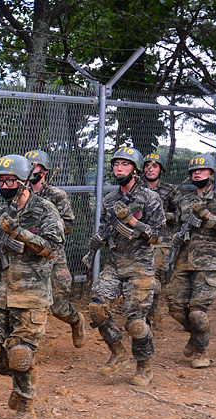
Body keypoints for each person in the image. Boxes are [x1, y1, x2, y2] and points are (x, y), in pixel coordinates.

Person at [0, 154, 64, 419]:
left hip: (32, 293)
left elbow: (53, 249)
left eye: (10, 180)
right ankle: (23, 375)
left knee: (21, 352)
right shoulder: (1, 213)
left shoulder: (46, 210)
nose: (5, 185)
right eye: (1, 180)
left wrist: (21, 233)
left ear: (25, 182)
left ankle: (25, 406)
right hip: (1, 290)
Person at [87, 147, 165, 386]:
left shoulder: (150, 198)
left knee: (135, 321)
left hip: (140, 266)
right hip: (114, 264)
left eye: (125, 164)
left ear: (136, 169)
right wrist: (99, 239)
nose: (118, 168)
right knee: (96, 307)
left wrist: (132, 222)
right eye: (116, 164)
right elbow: (104, 228)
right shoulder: (110, 199)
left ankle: (144, 366)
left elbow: (158, 236)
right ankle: (117, 350)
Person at [164, 154, 216, 368]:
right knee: (176, 307)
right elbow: (177, 222)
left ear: (211, 173)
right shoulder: (185, 200)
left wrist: (208, 216)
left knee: (197, 312)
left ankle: (201, 352)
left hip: (209, 263)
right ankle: (196, 336)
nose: (197, 173)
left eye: (202, 170)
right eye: (194, 171)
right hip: (183, 261)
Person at [24, 150, 86, 348]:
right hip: (27, 256)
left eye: (35, 166)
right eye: (28, 166)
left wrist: (44, 226)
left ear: (45, 171)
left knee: (57, 305)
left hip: (52, 255)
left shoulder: (56, 196)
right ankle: (26, 345)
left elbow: (67, 226)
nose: (31, 170)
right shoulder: (20, 195)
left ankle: (76, 321)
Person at [142, 152, 178, 327]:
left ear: (160, 170)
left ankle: (152, 312)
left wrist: (162, 215)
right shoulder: (137, 189)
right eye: (147, 165)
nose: (150, 169)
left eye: (154, 166)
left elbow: (180, 216)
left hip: (160, 240)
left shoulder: (169, 191)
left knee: (153, 276)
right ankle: (141, 313)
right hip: (139, 239)